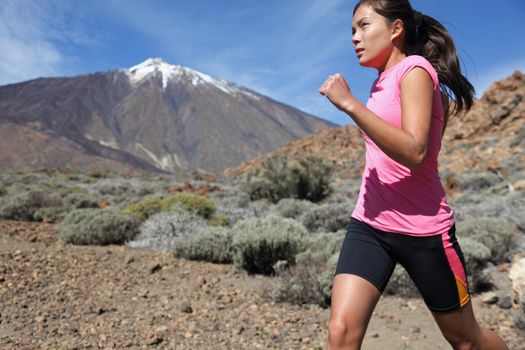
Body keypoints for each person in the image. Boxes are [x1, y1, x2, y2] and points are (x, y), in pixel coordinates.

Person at [318, 0, 510, 349]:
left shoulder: (416, 71)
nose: (354, 38)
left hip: (424, 231)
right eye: (351, 31)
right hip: (370, 223)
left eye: (363, 26)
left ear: (396, 29)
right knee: (341, 332)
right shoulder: (380, 82)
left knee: (466, 340)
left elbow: (415, 153)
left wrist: (349, 104)